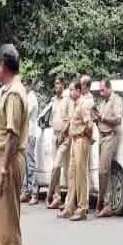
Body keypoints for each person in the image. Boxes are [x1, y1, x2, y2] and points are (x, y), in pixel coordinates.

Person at [0, 44, 29, 245]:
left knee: (9, 227)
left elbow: (12, 136)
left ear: (3, 66)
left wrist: (3, 169)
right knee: (3, 227)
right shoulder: (7, 91)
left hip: (8, 163)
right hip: (3, 161)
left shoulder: (14, 94)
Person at [59, 75, 94, 221]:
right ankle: (70, 207)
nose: (70, 92)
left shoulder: (84, 104)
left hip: (81, 140)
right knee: (72, 174)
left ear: (79, 90)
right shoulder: (75, 105)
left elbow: (89, 124)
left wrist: (85, 136)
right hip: (74, 140)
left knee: (81, 174)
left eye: (72, 90)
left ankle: (83, 207)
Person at [94, 78, 123, 217]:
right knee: (103, 170)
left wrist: (103, 117)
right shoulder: (103, 102)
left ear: (109, 88)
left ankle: (106, 204)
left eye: (102, 90)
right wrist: (96, 118)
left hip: (111, 135)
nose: (101, 92)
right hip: (102, 136)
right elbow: (100, 118)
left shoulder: (115, 100)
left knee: (103, 170)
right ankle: (103, 201)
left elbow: (118, 119)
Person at [46, 77, 71, 209]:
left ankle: (66, 197)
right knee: (55, 167)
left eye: (58, 84)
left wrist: (63, 133)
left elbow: (69, 119)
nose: (56, 86)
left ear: (63, 85)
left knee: (60, 166)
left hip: (64, 136)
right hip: (55, 135)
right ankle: (56, 197)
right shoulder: (53, 100)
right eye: (55, 84)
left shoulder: (67, 99)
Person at [21, 78, 40, 205]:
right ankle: (26, 191)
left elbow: (24, 114)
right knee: (24, 164)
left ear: (29, 86)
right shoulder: (25, 97)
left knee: (30, 164)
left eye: (24, 85)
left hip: (30, 134)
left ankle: (34, 192)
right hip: (24, 134)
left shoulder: (31, 98)